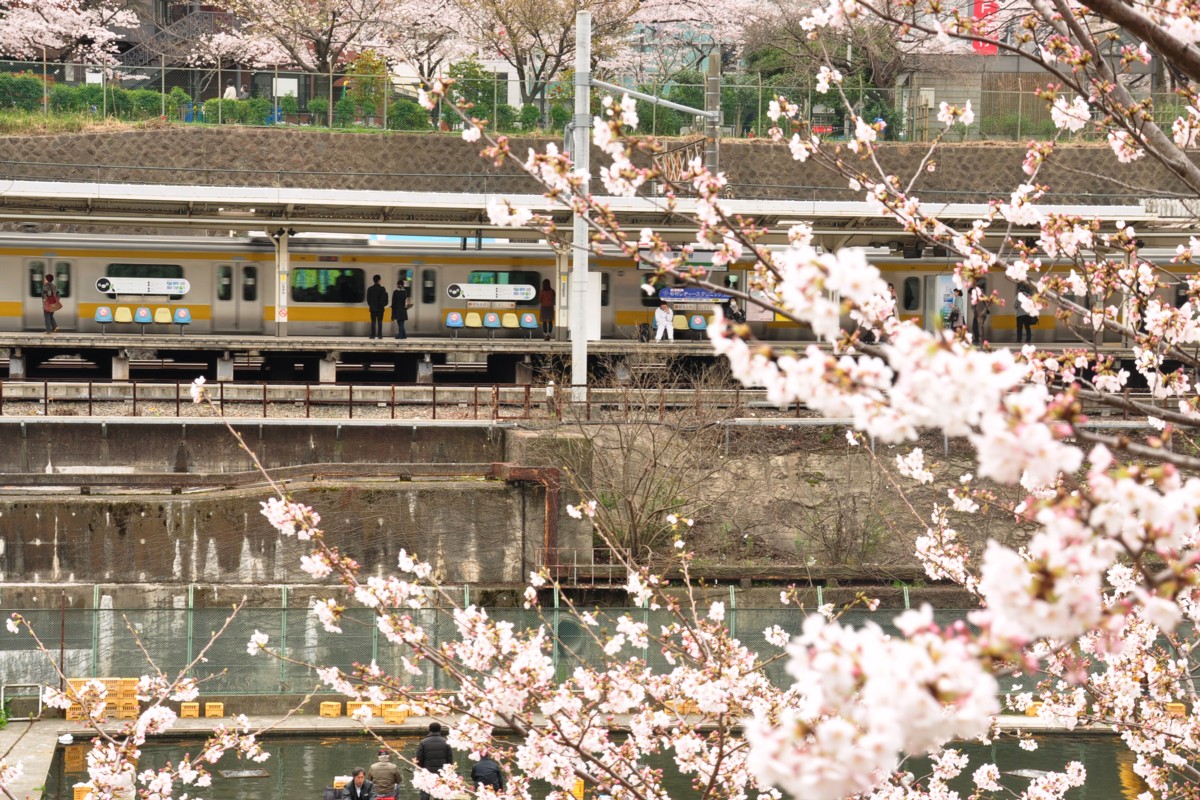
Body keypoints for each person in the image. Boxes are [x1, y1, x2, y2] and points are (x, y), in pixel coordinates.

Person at [415, 722, 454, 800]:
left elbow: (419, 759)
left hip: (427, 772)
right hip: (441, 772)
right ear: (440, 730)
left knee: (425, 792)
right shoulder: (446, 742)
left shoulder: (423, 742)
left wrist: (421, 769)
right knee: (439, 793)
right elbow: (449, 759)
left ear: (429, 730)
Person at [366, 274, 388, 339]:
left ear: (373, 280)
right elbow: (384, 298)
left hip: (373, 308)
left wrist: (371, 305)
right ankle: (380, 335)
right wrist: (382, 305)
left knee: (373, 322)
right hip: (380, 308)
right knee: (380, 322)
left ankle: (372, 335)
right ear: (379, 280)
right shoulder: (382, 289)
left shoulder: (370, 289)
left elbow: (368, 299)